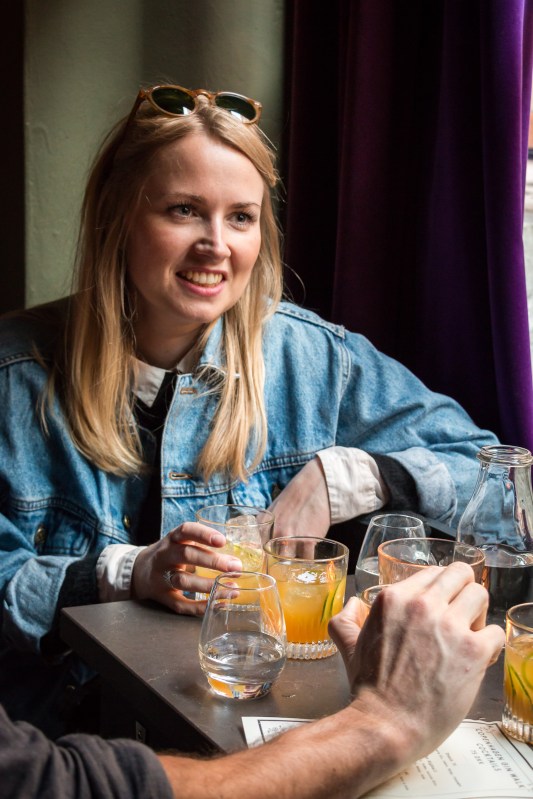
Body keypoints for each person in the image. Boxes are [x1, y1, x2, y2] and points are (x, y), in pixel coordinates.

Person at [0, 84, 498, 737]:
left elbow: (497, 481)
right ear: (116, 219)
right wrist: (125, 570)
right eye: (183, 210)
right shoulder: (14, 376)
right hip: (63, 746)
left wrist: (346, 474)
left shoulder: (316, 361)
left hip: (256, 733)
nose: (216, 244)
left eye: (241, 216)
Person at [0, 564, 505, 799]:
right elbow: (52, 784)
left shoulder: (319, 356)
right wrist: (384, 720)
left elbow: (465, 445)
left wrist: (346, 475)